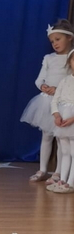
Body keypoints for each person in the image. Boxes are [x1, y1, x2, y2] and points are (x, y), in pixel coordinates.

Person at [21, 20, 73, 184]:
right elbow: (39, 79)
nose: (55, 43)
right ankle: (43, 169)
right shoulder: (49, 58)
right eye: (52, 41)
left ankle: (58, 172)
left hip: (63, 102)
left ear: (69, 38)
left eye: (58, 39)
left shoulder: (71, 58)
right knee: (46, 136)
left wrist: (58, 89)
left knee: (61, 139)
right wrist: (43, 86)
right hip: (46, 102)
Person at [48, 49, 74, 193]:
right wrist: (57, 115)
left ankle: (71, 182)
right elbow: (55, 101)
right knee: (64, 151)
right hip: (62, 122)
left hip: (72, 122)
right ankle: (62, 180)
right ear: (69, 62)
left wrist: (72, 119)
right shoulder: (64, 81)